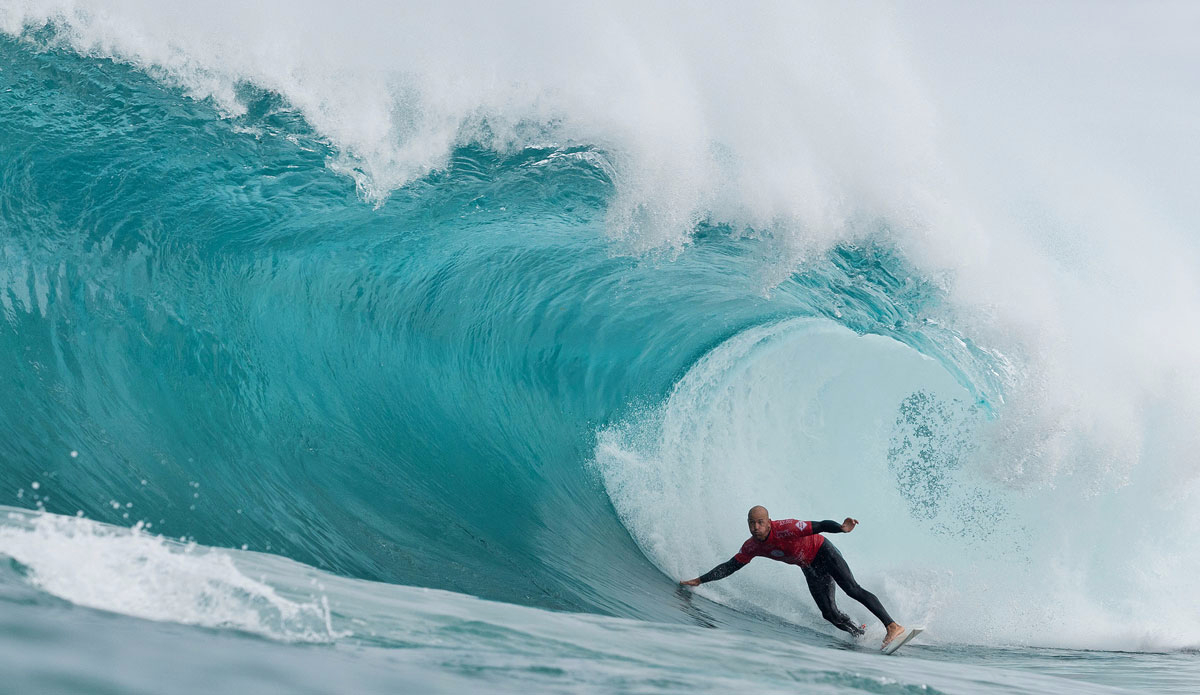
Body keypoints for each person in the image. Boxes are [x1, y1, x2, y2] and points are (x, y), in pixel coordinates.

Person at [679, 505, 905, 649]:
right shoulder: (752, 546)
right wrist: (700, 580)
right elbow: (730, 566)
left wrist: (842, 528)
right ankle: (860, 634)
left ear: (769, 522)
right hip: (808, 566)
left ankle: (892, 625)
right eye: (751, 523)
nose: (756, 527)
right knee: (829, 613)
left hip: (823, 552)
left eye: (760, 522)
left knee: (852, 589)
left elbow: (820, 525)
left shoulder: (787, 527)